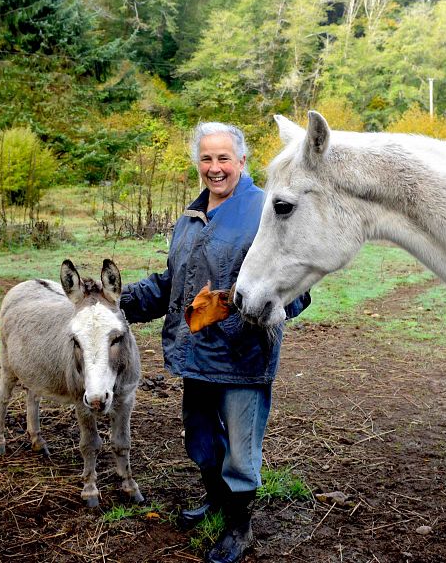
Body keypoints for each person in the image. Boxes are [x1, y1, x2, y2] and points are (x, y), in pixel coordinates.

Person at [120, 122, 310, 563]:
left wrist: (235, 308)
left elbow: (296, 291)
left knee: (241, 453)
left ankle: (239, 528)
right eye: (207, 158)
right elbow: (174, 283)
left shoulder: (267, 210)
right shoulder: (190, 217)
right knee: (202, 441)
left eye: (224, 158)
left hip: (242, 355)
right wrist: (121, 302)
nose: (215, 167)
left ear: (242, 161)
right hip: (196, 354)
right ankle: (218, 501)